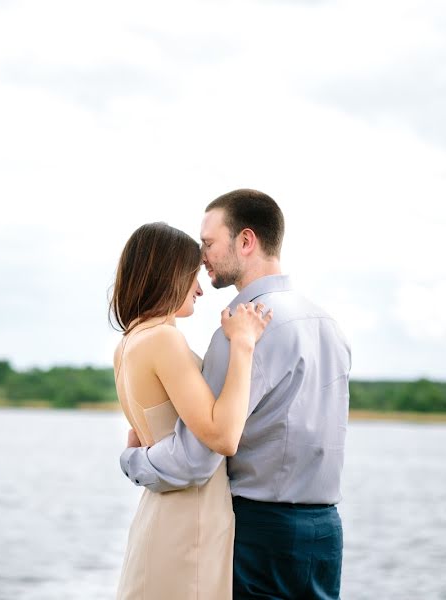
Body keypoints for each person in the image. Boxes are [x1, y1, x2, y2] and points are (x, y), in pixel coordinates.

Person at [120, 189, 352, 599]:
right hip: (326, 533)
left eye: (208, 244)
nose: (202, 257)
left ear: (245, 241)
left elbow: (196, 457)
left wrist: (134, 460)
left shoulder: (239, 332)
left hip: (259, 531)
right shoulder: (328, 325)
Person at [110, 221, 272, 600]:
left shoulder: (127, 343)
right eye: (192, 275)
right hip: (190, 522)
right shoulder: (163, 339)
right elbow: (223, 435)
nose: (200, 288)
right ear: (167, 275)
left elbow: (138, 438)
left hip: (160, 514)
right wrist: (244, 344)